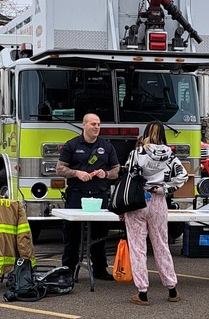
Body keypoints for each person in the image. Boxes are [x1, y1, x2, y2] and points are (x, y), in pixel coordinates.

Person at [123, 122, 188, 305]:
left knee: (138, 247)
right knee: (161, 245)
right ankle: (172, 289)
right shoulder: (170, 155)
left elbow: (127, 176)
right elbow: (182, 176)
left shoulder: (137, 153)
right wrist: (164, 188)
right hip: (158, 201)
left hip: (137, 201)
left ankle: (142, 292)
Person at [56, 113, 120, 280]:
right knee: (72, 236)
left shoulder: (106, 146)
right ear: (84, 125)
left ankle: (100, 270)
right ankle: (68, 271)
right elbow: (60, 169)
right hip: (76, 195)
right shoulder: (72, 145)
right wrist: (76, 173)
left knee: (99, 236)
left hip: (99, 196)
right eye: (93, 124)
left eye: (98, 124)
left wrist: (106, 174)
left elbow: (116, 170)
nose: (96, 127)